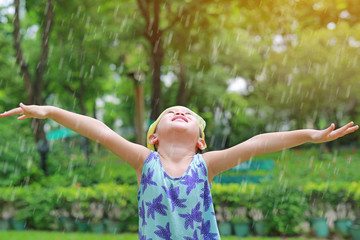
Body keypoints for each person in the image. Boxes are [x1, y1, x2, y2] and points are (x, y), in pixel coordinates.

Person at [1, 103, 358, 239]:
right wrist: (50, 111)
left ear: (201, 141)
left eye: (188, 114)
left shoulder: (206, 165)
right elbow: (94, 127)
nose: (180, 112)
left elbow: (259, 142)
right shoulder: (144, 161)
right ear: (153, 136)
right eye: (171, 112)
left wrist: (310, 135)